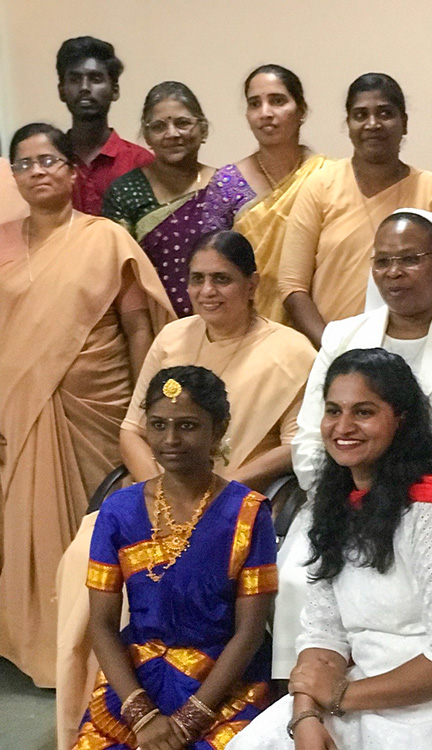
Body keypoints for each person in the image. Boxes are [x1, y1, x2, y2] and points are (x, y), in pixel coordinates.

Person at [53, 229, 317, 747]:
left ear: (251, 285)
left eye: (222, 279)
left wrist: (220, 487)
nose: (208, 290)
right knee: (81, 554)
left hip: (233, 492)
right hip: (153, 493)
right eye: (197, 279)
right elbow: (133, 427)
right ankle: (77, 711)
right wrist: (159, 488)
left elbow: (298, 444)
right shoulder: (172, 338)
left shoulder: (290, 351)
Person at [227, 348, 432, 749]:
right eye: (333, 411)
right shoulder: (333, 505)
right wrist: (305, 714)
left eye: (363, 412)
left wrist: (340, 696)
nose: (343, 426)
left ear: (401, 420)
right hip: (355, 695)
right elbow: (323, 632)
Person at [273, 209, 432, 677]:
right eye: (383, 261)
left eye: (410, 259)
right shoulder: (342, 335)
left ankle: (405, 689)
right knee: (297, 578)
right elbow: (313, 438)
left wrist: (419, 498)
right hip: (344, 504)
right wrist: (357, 494)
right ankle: (306, 701)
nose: (394, 273)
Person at [0, 123, 172, 687]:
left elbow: (136, 323)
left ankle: (106, 647)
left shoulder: (106, 238)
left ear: (73, 171)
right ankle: (36, 642)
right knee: (25, 528)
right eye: (24, 164)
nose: (38, 171)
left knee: (98, 527)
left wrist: (146, 407)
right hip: (18, 408)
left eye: (49, 159)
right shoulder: (0, 240)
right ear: (14, 176)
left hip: (99, 408)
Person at [72, 366, 277, 750]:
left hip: (223, 684)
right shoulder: (119, 510)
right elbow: (101, 625)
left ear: (218, 429)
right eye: (158, 424)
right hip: (138, 682)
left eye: (187, 426)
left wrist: (189, 719)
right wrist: (142, 715)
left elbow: (249, 632)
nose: (170, 439)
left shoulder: (248, 513)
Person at [279, 73, 432, 347]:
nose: (373, 124)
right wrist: (333, 349)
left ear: (405, 123)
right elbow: (292, 287)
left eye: (385, 113)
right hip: (332, 351)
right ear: (349, 124)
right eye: (360, 115)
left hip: (415, 350)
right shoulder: (320, 186)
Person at [208, 64, 327, 325]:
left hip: (321, 319)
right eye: (254, 104)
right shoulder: (227, 182)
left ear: (301, 110)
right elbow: (213, 265)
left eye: (277, 101)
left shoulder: (326, 176)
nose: (265, 113)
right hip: (248, 326)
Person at [102, 81, 234, 316]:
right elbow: (120, 279)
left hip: (224, 323)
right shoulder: (126, 192)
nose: (172, 134)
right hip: (152, 328)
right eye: (159, 126)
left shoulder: (226, 185)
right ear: (147, 136)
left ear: (202, 129)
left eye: (182, 123)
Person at [56, 36, 153, 214]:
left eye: (96, 78)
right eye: (75, 79)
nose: (84, 87)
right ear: (61, 91)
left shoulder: (141, 163)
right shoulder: (51, 163)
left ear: (115, 90)